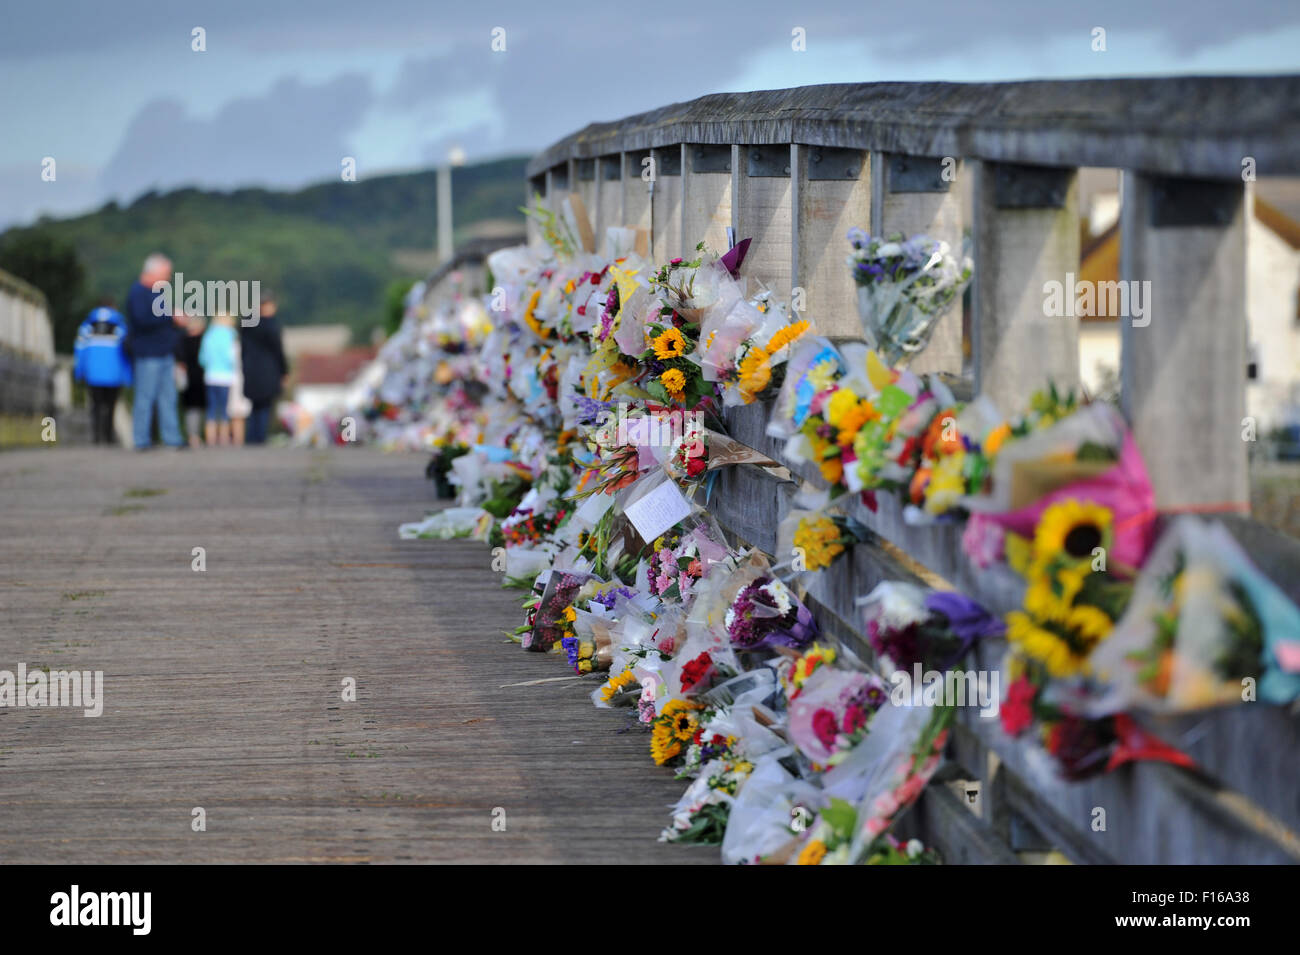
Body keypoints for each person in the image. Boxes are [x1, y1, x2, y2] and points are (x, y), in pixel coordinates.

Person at [124, 253, 186, 450]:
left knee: (168, 398)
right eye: (166, 274)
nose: (168, 278)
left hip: (165, 353)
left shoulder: (159, 293)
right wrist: (171, 316)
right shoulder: (138, 292)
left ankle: (172, 438)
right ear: (154, 272)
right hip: (148, 354)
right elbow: (142, 321)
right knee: (145, 398)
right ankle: (141, 440)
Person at [72, 302, 132, 445]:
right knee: (111, 406)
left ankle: (96, 437)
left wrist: (79, 371)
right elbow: (127, 352)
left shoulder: (87, 327)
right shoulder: (120, 327)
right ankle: (109, 436)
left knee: (95, 406)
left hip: (93, 374)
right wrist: (128, 375)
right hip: (114, 375)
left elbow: (80, 349)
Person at [240, 289, 288, 445]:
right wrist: (284, 371)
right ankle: (260, 437)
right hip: (268, 369)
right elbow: (278, 349)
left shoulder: (246, 323)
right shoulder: (270, 324)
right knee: (265, 405)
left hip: (250, 368)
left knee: (254, 405)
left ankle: (251, 437)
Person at [198, 311, 238, 446]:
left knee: (211, 408)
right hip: (226, 376)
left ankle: (211, 439)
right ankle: (224, 438)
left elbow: (202, 358)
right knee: (224, 409)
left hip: (210, 376)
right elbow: (232, 357)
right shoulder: (231, 334)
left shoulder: (209, 335)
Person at [175, 313, 207, 447]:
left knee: (190, 409)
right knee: (198, 409)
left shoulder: (180, 340)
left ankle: (193, 436)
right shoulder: (204, 340)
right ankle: (198, 436)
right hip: (201, 379)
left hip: (187, 379)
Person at [227, 334, 252, 445]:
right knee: (240, 415)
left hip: (231, 380)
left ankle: (235, 439)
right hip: (241, 380)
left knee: (233, 414)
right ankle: (239, 439)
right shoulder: (245, 347)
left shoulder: (230, 346)